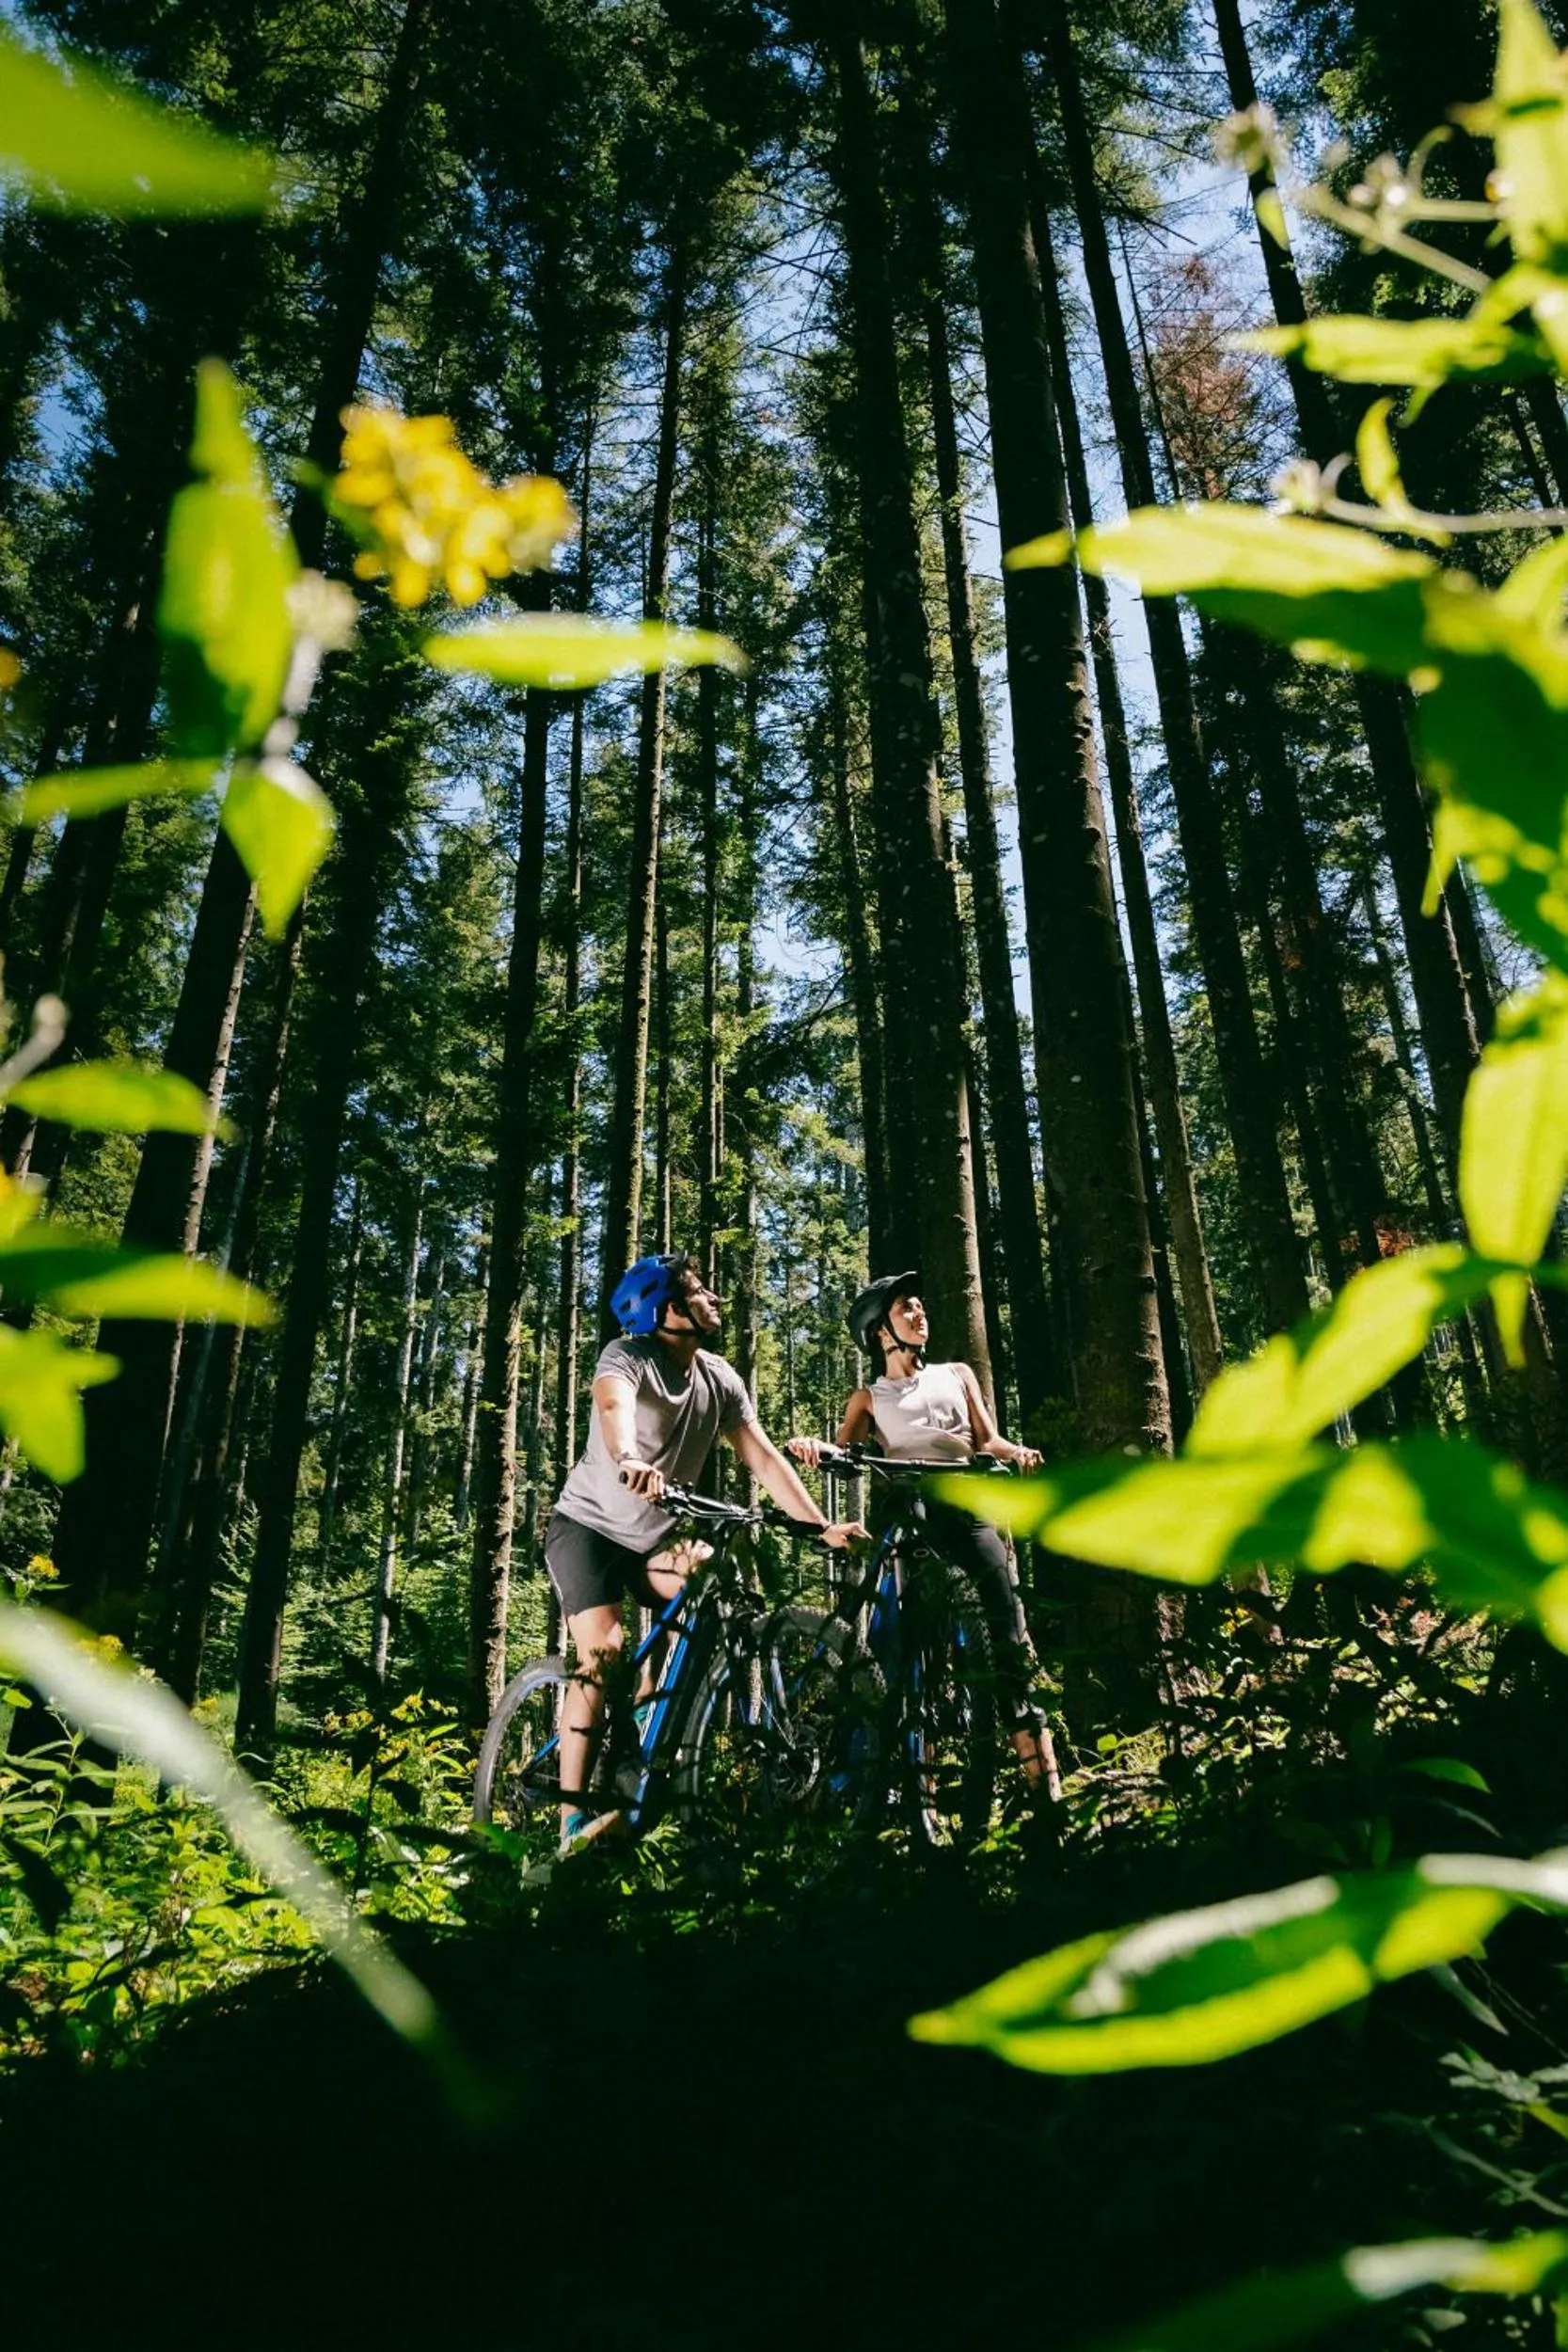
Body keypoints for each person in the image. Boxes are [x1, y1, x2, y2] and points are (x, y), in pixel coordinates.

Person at [546, 1251, 864, 1852]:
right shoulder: (626, 1358)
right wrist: (629, 1458)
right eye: (697, 1291)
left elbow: (764, 1456)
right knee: (604, 1652)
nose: (712, 1297)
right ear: (664, 1311)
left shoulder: (718, 1376)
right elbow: (613, 1407)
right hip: (586, 1531)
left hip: (652, 1539)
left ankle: (651, 1714)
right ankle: (569, 1823)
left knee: (715, 1576)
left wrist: (819, 1525)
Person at [788, 1270, 1057, 1795]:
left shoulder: (957, 1374)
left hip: (963, 1500)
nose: (919, 1313)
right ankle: (916, 1792)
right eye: (906, 1308)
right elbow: (847, 1451)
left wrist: (1016, 1451)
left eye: (920, 1305)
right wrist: (818, 1449)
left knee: (1005, 1633)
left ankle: (1045, 1785)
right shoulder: (868, 1398)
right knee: (905, 1646)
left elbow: (987, 1439)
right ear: (880, 1332)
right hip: (907, 1508)